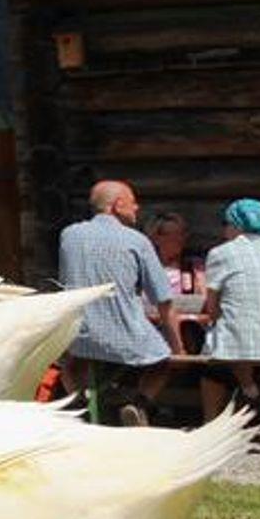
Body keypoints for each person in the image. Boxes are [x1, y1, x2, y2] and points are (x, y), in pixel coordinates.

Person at [56, 179, 181, 426]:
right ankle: (139, 404)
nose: (137, 208)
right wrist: (178, 347)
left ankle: (80, 404)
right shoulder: (137, 241)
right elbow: (164, 301)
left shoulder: (69, 235)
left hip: (79, 337)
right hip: (125, 339)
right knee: (164, 361)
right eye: (133, 202)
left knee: (69, 364)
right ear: (118, 205)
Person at [198, 198, 260, 422]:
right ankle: (249, 391)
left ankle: (214, 419)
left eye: (226, 224)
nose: (224, 230)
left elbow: (212, 307)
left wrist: (212, 318)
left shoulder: (220, 253)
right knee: (236, 340)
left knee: (215, 362)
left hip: (238, 343)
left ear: (237, 225)